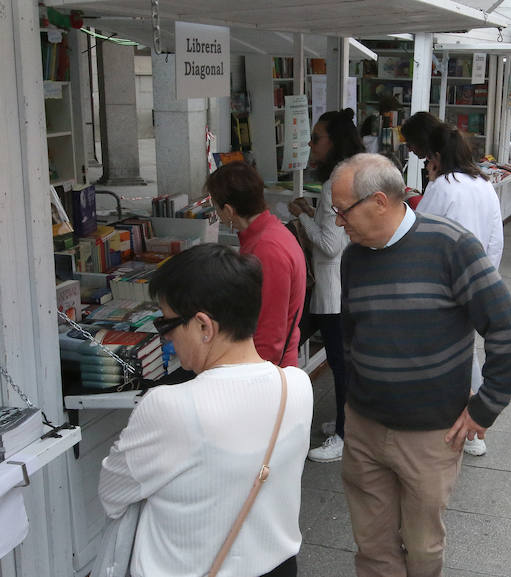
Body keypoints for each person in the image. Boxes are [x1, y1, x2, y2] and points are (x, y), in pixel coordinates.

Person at [333, 153, 511, 577]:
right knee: (372, 546)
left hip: (430, 436)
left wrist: (485, 406)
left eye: (341, 211)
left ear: (379, 201)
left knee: (422, 549)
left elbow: (508, 331)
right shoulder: (354, 258)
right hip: (364, 427)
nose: (337, 223)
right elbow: (351, 336)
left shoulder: (451, 246)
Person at [99, 243, 314, 577]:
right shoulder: (297, 387)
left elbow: (112, 494)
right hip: (279, 567)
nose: (166, 338)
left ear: (204, 326)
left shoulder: (169, 406)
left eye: (167, 324)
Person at [420, 125, 505, 455]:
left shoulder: (442, 186)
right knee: (466, 348)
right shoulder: (483, 184)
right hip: (478, 276)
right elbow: (496, 236)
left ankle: (470, 427)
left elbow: (420, 228)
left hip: (443, 281)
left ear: (437, 158)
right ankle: (475, 426)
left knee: (457, 352)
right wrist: (488, 275)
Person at [293, 109, 365, 463]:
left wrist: (303, 216)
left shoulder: (334, 182)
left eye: (317, 137)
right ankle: (344, 422)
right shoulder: (346, 175)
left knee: (340, 362)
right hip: (337, 286)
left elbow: (330, 243)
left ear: (333, 142)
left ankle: (344, 434)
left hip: (335, 288)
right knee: (339, 359)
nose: (310, 143)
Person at [207, 162, 306, 367]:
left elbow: (269, 335)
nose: (217, 214)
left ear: (228, 210)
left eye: (216, 208)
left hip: (268, 372)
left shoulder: (266, 249)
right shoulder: (267, 234)